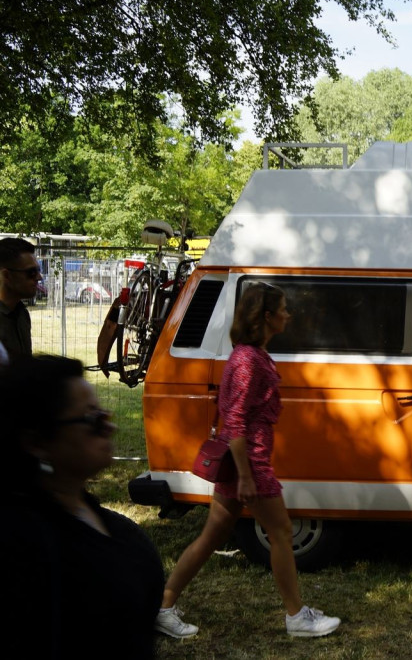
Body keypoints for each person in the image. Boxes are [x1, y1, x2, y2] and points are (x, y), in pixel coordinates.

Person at [155, 282, 340, 639]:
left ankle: (163, 606)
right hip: (249, 464)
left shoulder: (253, 355)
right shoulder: (247, 361)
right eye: (284, 309)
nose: (289, 314)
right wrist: (245, 476)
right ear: (266, 316)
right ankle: (297, 617)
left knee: (212, 537)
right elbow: (235, 421)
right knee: (282, 532)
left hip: (245, 464)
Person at [0, 355, 164, 658]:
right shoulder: (21, 546)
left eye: (104, 412)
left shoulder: (96, 517)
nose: (111, 428)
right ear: (36, 442)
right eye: (92, 419)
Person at [0, 237, 40, 358]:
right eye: (31, 272)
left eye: (38, 270)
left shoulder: (22, 314)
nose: (39, 277)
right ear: (7, 275)